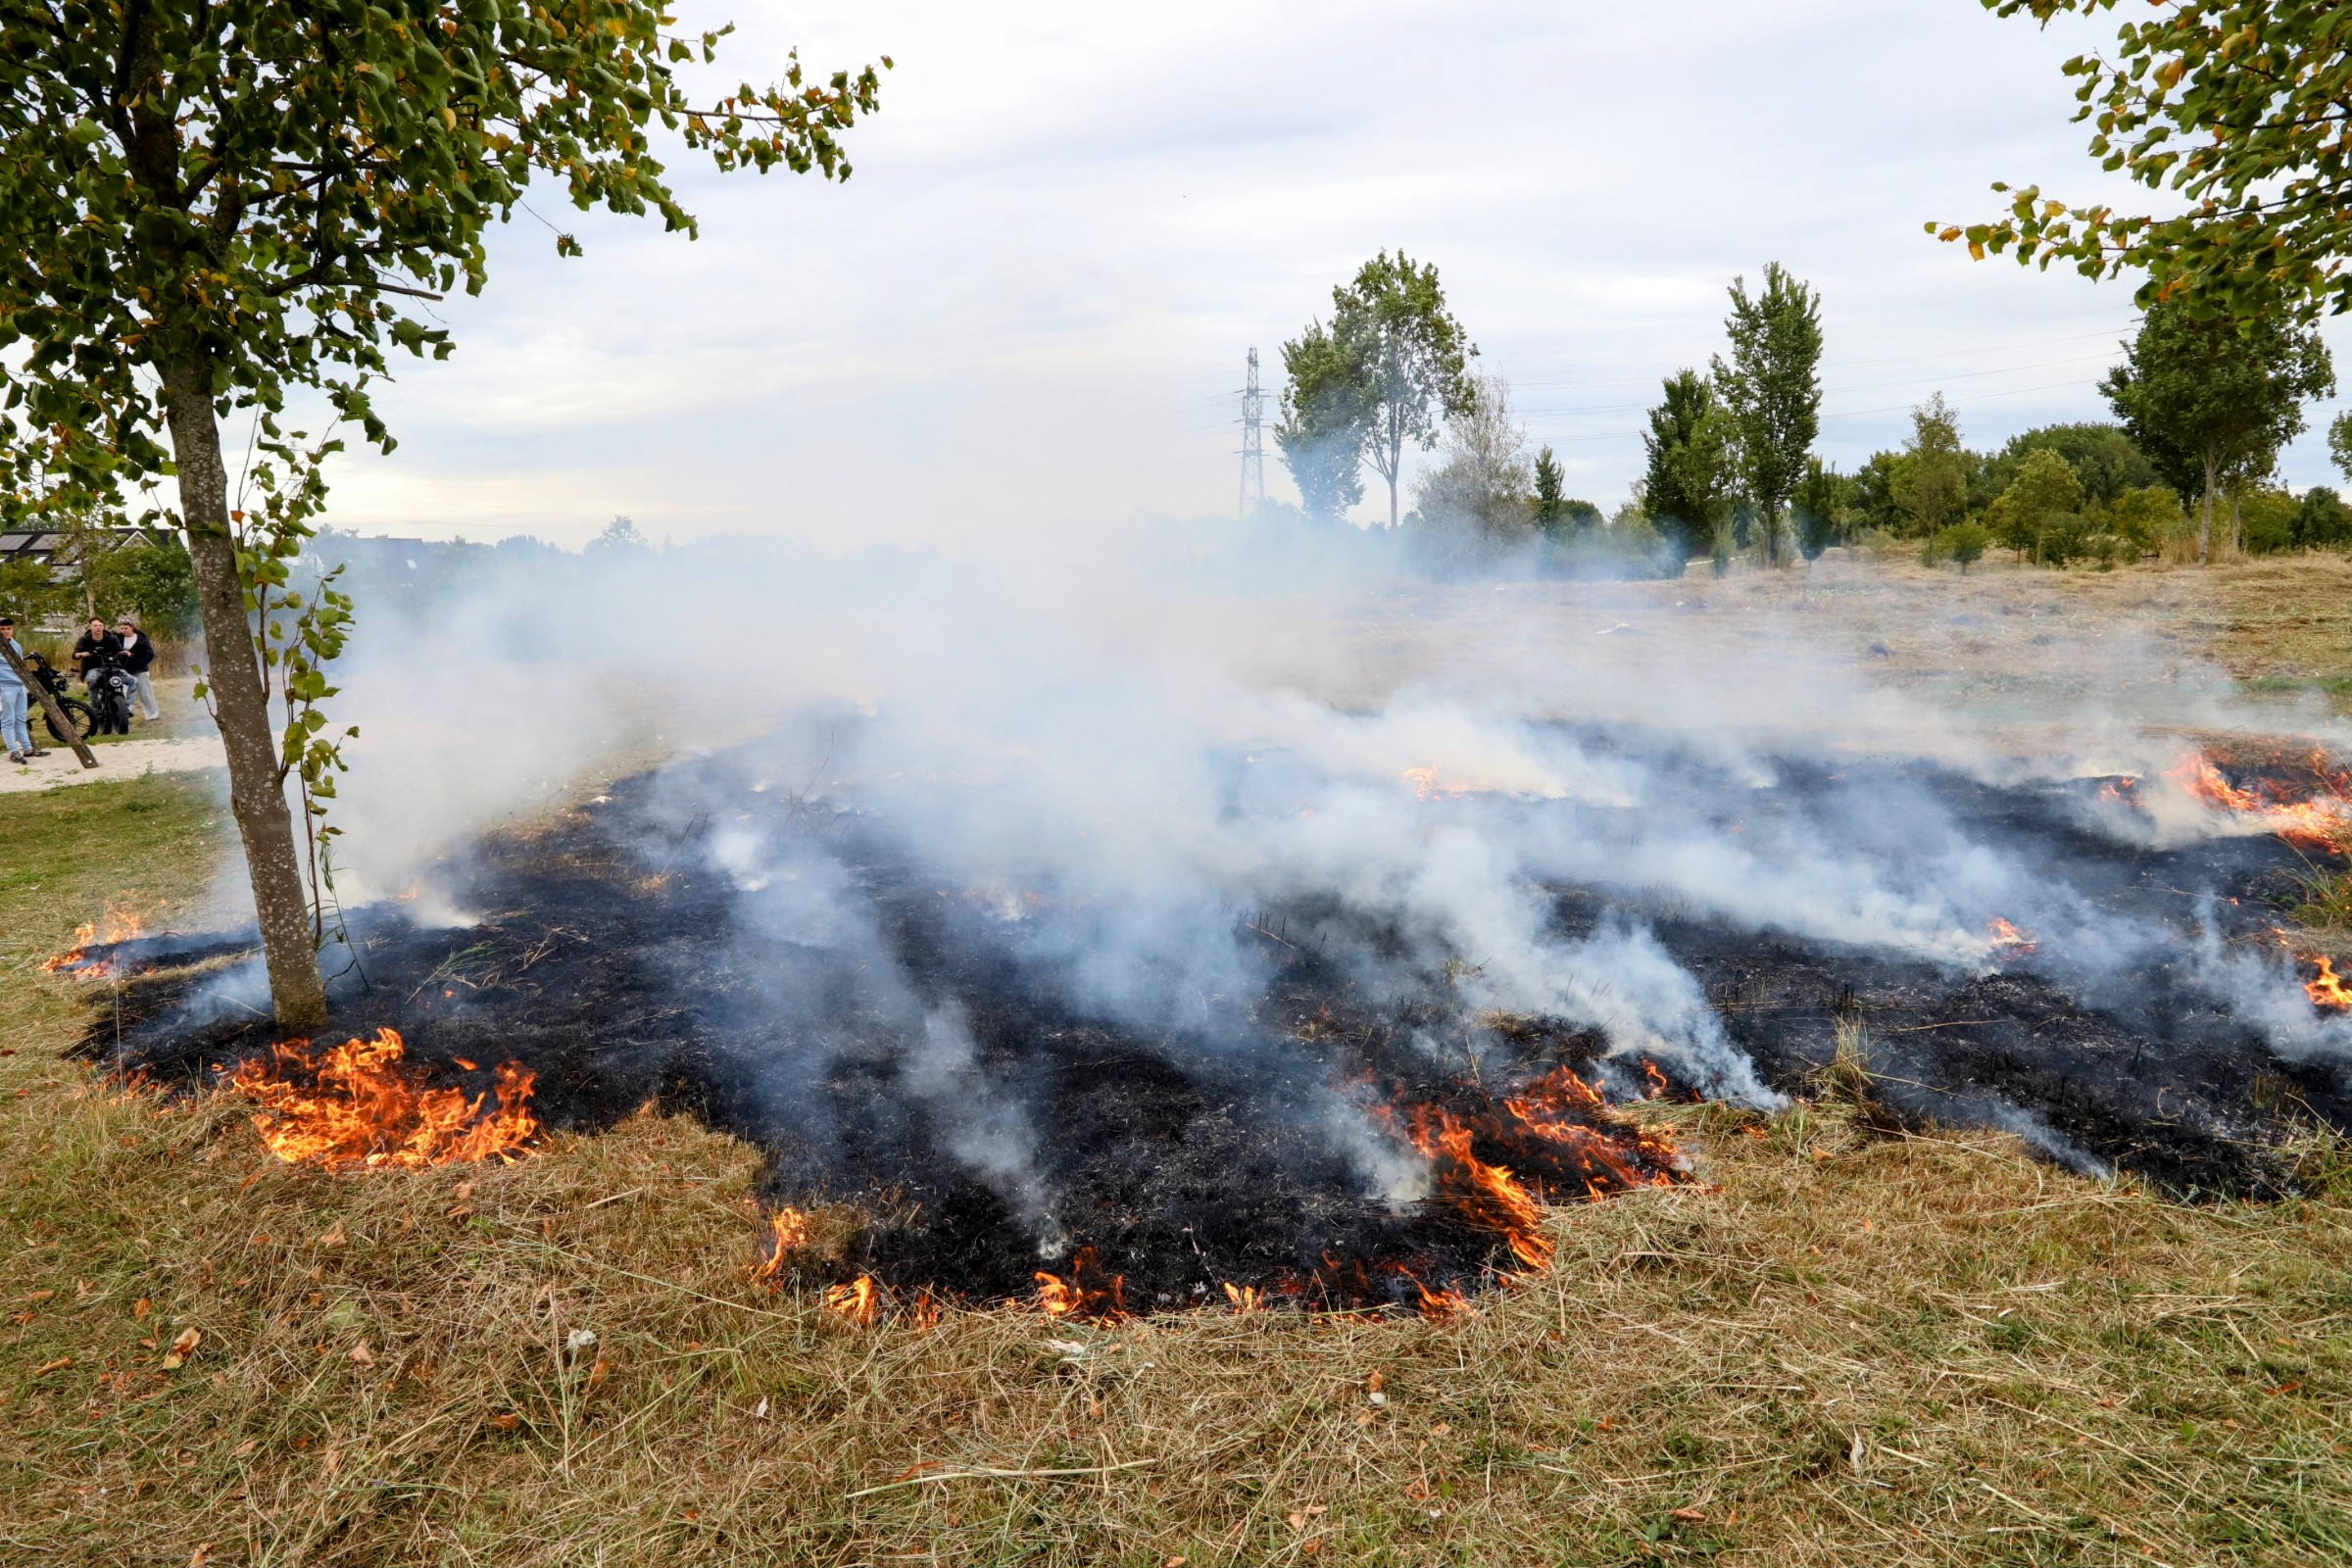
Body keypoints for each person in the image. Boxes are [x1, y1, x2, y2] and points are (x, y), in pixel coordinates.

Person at [0, 614, 49, 764]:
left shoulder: (16, 644)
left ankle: (28, 749)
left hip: (19, 685)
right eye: (2, 629)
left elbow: (20, 665)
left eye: (8, 628)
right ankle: (13, 751)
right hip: (5, 685)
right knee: (8, 719)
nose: (6, 632)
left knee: (21, 718)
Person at [115, 615, 160, 722]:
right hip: (124, 670)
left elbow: (149, 654)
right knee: (123, 693)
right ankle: (125, 715)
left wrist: (138, 663)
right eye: (121, 628)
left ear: (132, 627)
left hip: (140, 670)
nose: (123, 630)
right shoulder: (117, 638)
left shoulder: (141, 638)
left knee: (145, 693)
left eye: (125, 628)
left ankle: (152, 715)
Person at [72, 616, 120, 685]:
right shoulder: (84, 640)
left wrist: (125, 652)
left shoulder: (112, 639)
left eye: (100, 625)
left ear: (103, 627)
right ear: (90, 627)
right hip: (92, 668)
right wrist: (80, 654)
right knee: (91, 681)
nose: (98, 627)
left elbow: (120, 650)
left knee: (133, 681)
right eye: (95, 625)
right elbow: (74, 654)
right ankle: (94, 695)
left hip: (111, 667)